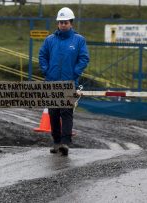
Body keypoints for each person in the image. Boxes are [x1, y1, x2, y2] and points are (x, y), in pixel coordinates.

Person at [38, 7, 89, 156]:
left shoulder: (79, 40)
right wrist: (46, 70)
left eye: (65, 22)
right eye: (60, 22)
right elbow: (42, 55)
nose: (62, 25)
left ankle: (65, 143)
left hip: (69, 82)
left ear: (71, 23)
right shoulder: (50, 40)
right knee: (53, 112)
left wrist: (75, 73)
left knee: (66, 112)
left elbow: (84, 58)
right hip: (52, 82)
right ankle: (56, 142)